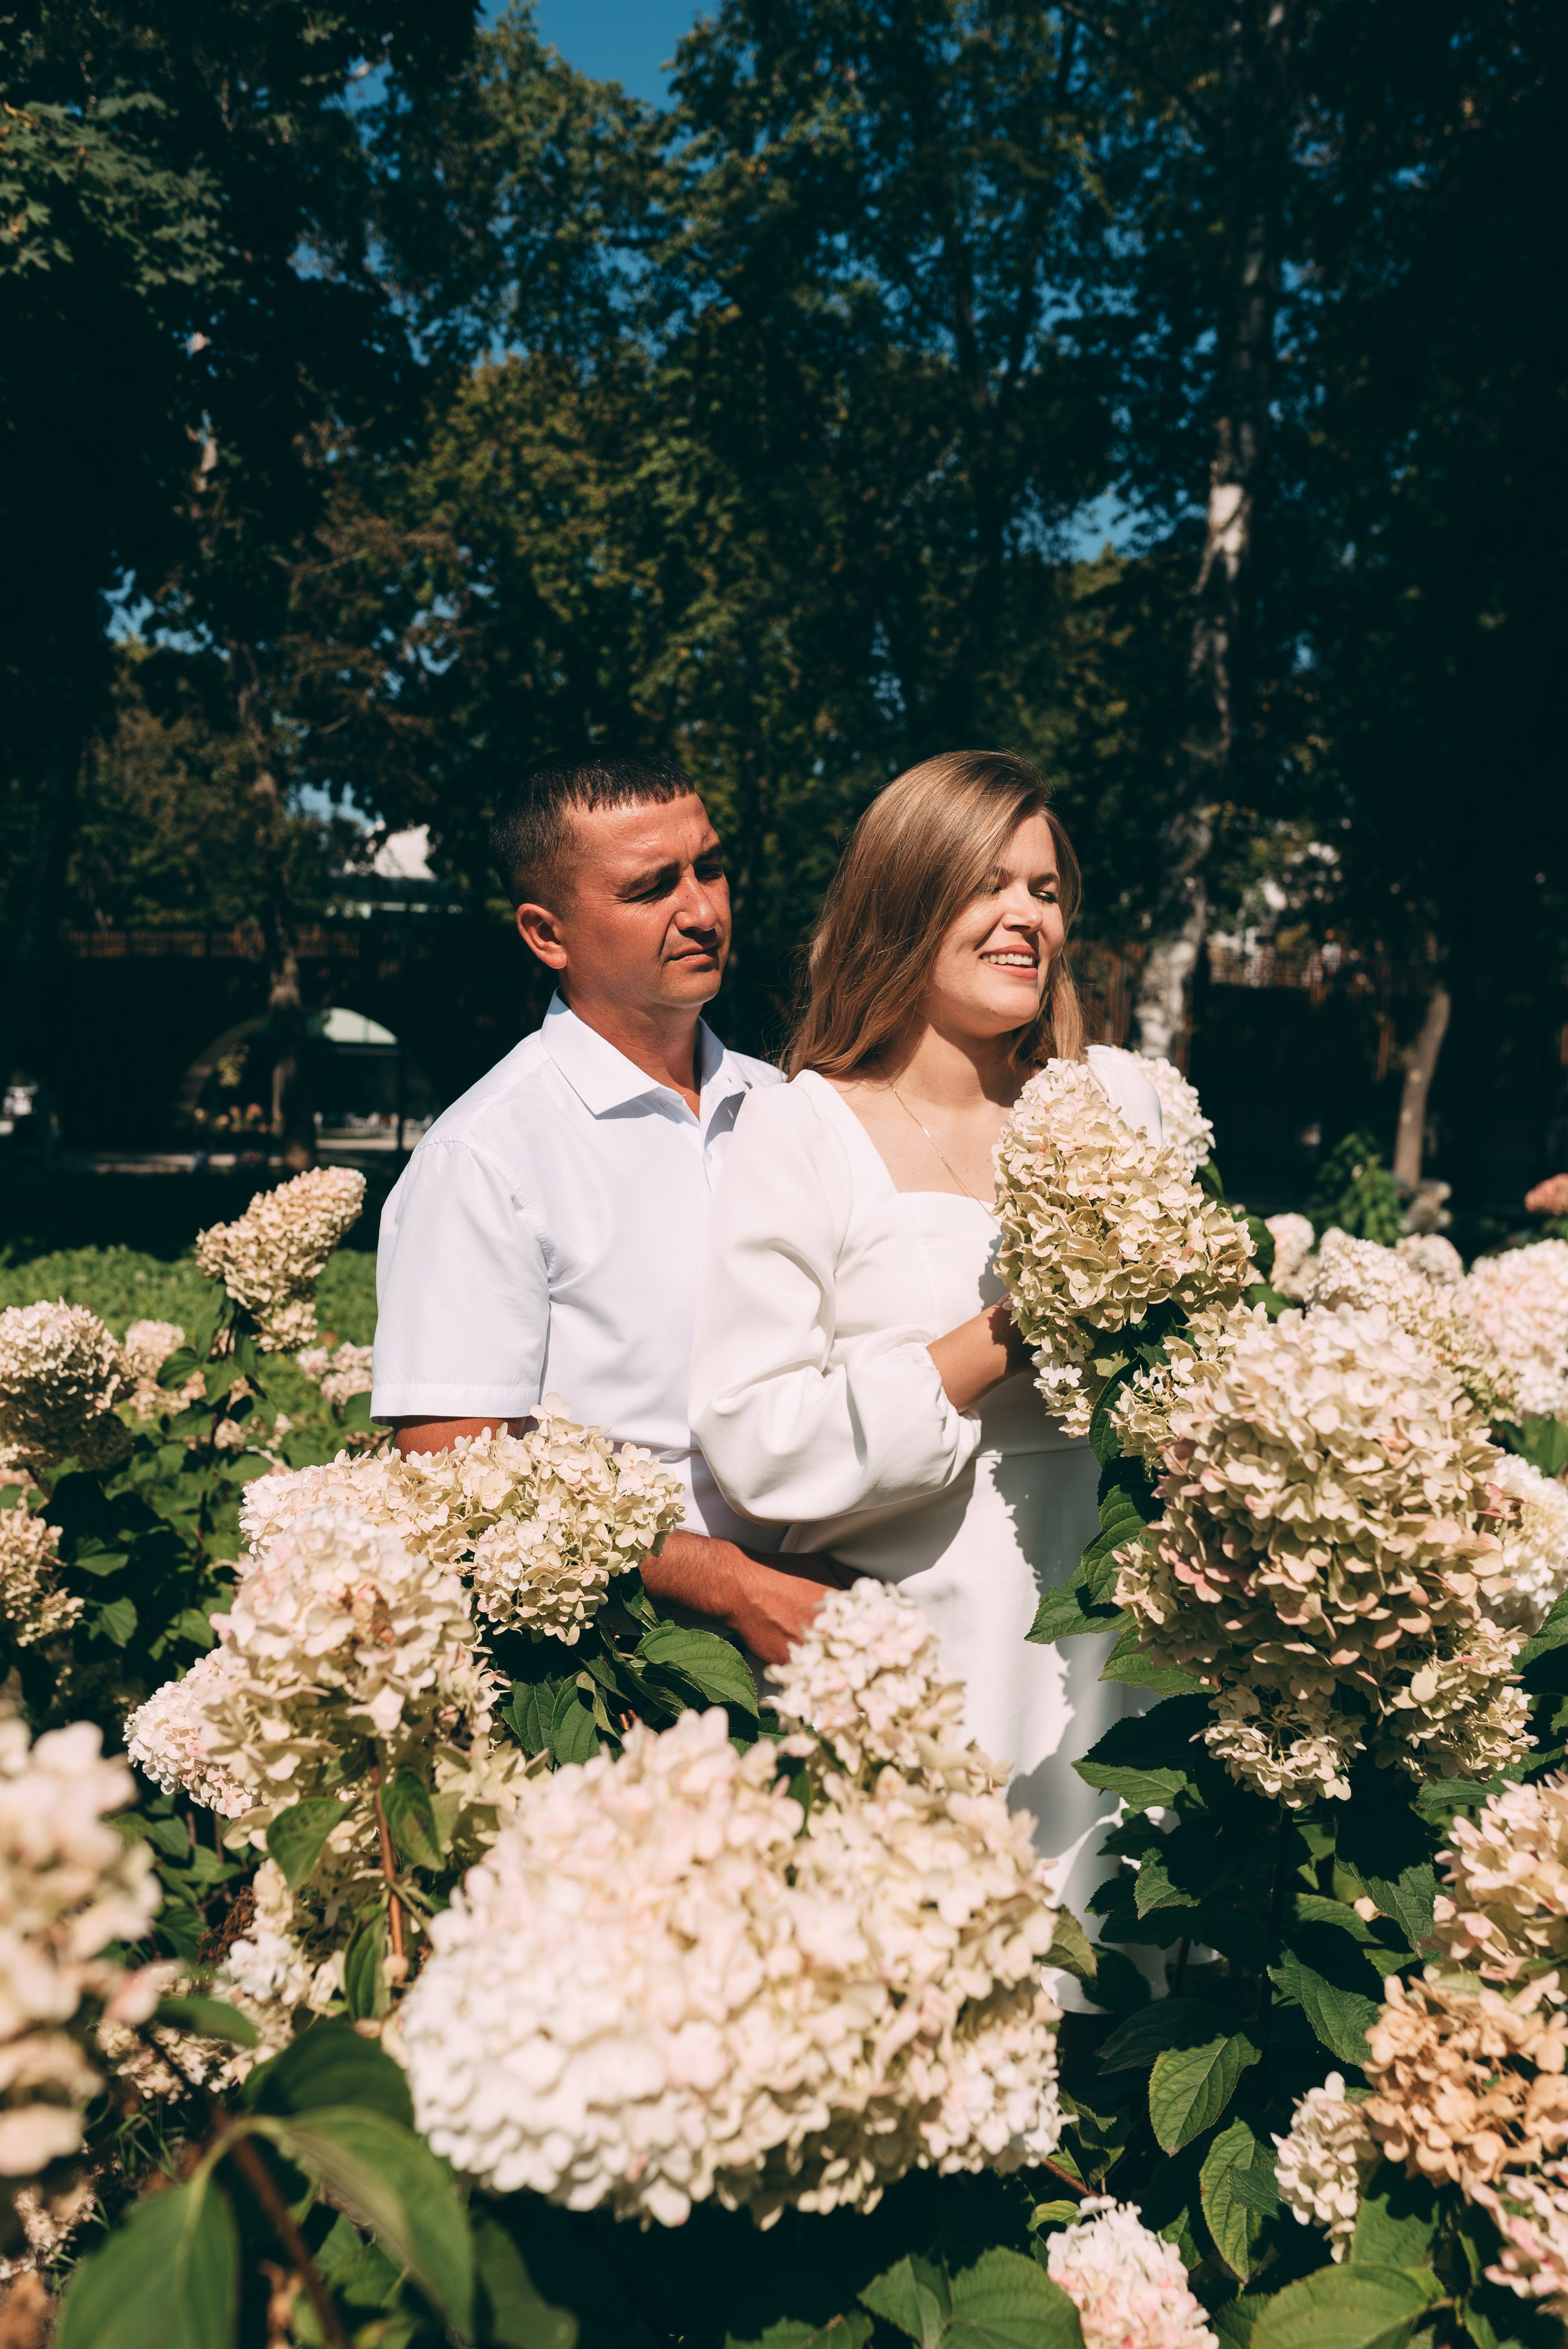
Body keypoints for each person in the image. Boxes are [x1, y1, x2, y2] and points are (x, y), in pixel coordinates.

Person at [688, 749, 1163, 1919]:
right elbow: (757, 1438)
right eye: (986, 884)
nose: (1026, 919)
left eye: (1046, 892)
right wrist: (1009, 1333)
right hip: (927, 1644)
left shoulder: (1119, 1105)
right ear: (904, 902)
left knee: (1121, 1975)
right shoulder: (805, 1130)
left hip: (1123, 1640)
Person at [369, 750, 853, 1663]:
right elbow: (455, 1481)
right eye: (650, 888)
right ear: (547, 935)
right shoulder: (484, 1158)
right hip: (631, 1666)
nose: (704, 910)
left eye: (709, 867)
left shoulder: (792, 1107)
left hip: (849, 1620)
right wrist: (736, 1586)